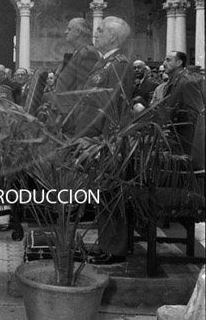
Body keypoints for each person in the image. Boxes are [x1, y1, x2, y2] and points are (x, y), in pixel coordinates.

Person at [78, 17, 134, 266]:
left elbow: (115, 107)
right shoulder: (104, 63)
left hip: (107, 142)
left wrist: (105, 144)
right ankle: (106, 244)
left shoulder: (119, 65)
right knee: (103, 195)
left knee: (111, 195)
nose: (96, 33)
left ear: (113, 37)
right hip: (94, 138)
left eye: (100, 30)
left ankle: (115, 248)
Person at [156, 51, 205, 170]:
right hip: (173, 139)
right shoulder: (171, 82)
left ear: (179, 63)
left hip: (184, 142)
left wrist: (174, 114)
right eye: (164, 60)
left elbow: (197, 115)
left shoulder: (187, 82)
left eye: (168, 60)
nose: (164, 63)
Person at [55, 18, 100, 94]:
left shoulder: (88, 53)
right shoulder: (81, 51)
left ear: (78, 31)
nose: (65, 32)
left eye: (69, 29)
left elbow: (83, 89)